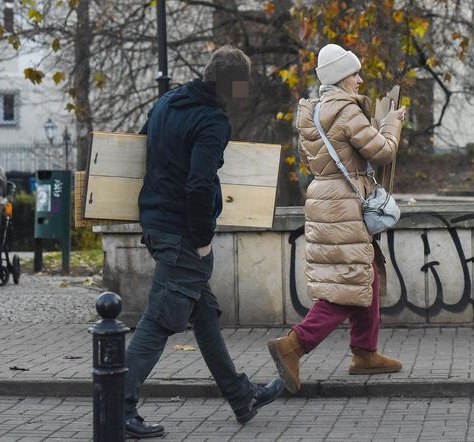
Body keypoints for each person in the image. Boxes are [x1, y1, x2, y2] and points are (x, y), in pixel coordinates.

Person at [124, 46, 283, 439]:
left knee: (204, 315)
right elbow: (198, 185)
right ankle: (117, 407)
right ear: (231, 84)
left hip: (157, 222)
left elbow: (143, 151)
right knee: (160, 321)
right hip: (182, 234)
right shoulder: (212, 120)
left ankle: (240, 396)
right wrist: (201, 239)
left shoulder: (166, 103)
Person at [267, 43, 406, 394]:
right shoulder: (346, 111)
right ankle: (293, 346)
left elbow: (317, 159)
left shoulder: (313, 113)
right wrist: (391, 124)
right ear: (342, 78)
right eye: (355, 74)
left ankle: (365, 352)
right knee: (345, 286)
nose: (360, 80)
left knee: (364, 274)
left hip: (324, 197)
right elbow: (383, 152)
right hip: (344, 204)